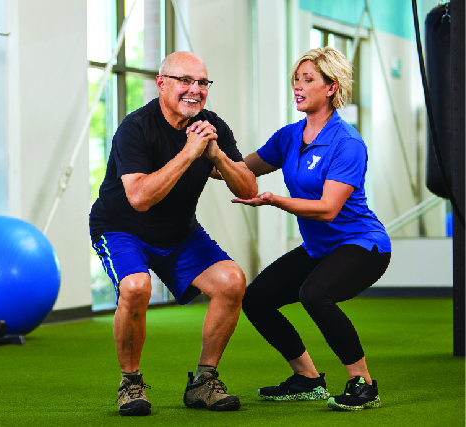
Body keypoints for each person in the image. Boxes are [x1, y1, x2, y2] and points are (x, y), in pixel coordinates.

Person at [89, 51, 258, 416]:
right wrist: (189, 152)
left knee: (231, 281)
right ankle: (130, 383)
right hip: (122, 228)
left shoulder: (212, 126)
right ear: (162, 83)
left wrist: (218, 157)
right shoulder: (135, 128)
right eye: (185, 80)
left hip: (179, 233)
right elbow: (139, 197)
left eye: (202, 83)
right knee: (135, 287)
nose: (194, 90)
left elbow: (247, 189)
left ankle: (203, 382)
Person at [232, 46, 391, 411]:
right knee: (256, 299)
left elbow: (328, 209)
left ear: (331, 87)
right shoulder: (289, 136)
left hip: (361, 244)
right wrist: (203, 154)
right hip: (320, 248)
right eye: (296, 79)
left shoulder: (346, 143)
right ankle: (307, 378)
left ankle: (363, 384)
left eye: (308, 80)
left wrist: (274, 200)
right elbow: (242, 170)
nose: (298, 87)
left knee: (314, 293)